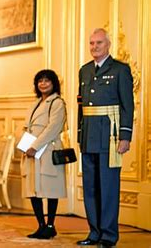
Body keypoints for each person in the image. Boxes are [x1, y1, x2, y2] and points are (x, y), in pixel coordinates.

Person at [76, 28, 134, 247]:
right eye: (91, 43)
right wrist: (81, 134)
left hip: (110, 136)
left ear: (108, 44)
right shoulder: (85, 71)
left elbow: (127, 106)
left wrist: (125, 136)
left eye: (99, 43)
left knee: (108, 187)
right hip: (89, 135)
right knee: (90, 187)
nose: (94, 47)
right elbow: (81, 105)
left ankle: (108, 235)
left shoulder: (120, 70)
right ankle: (94, 233)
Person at [21, 69, 67, 240]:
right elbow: (28, 127)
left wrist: (35, 146)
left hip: (47, 149)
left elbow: (52, 128)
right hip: (32, 151)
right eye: (40, 81)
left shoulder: (57, 103)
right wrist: (25, 147)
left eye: (47, 80)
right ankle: (41, 225)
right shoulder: (35, 104)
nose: (43, 84)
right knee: (33, 189)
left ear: (53, 83)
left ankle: (50, 225)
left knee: (51, 189)